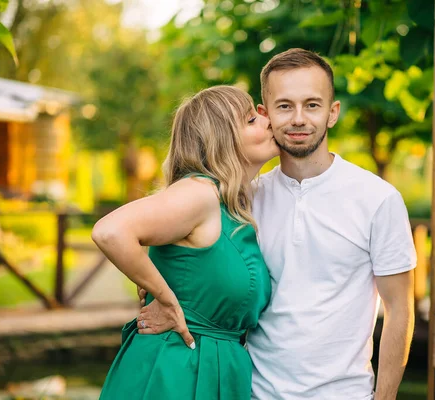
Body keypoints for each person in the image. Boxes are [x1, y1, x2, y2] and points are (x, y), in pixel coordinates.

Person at [140, 48, 417, 400]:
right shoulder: (243, 200)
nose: (299, 118)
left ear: (333, 113)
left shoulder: (378, 199)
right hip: (254, 392)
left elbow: (400, 309)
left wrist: (385, 397)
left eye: (312, 105)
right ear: (264, 113)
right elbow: (192, 262)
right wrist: (166, 301)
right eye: (285, 106)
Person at [92, 85, 280, 399]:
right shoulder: (199, 193)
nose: (268, 120)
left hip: (214, 371)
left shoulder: (231, 206)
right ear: (223, 139)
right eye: (250, 120)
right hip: (176, 373)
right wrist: (165, 299)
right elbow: (110, 231)